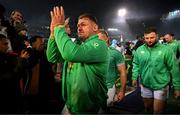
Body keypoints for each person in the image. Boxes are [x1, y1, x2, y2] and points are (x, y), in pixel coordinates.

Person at [46, 6, 109, 114]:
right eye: (78, 25)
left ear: (95, 28)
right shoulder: (77, 44)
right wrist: (52, 34)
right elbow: (52, 57)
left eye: (83, 25)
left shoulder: (100, 45)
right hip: (71, 104)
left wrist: (59, 28)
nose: (79, 28)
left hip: (89, 108)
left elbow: (71, 54)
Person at [132, 27, 180, 114]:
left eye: (152, 37)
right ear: (144, 38)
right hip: (145, 84)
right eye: (147, 38)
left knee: (158, 111)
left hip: (161, 85)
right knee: (148, 108)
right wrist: (134, 77)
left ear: (157, 36)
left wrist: (177, 87)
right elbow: (136, 64)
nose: (149, 40)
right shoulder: (140, 50)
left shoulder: (166, 50)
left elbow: (174, 68)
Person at [0, 33, 29, 113]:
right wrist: (21, 61)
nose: (8, 47)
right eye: (5, 44)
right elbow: (11, 77)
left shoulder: (7, 57)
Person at [98, 29, 127, 106]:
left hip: (109, 87)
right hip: (93, 87)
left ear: (106, 38)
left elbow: (122, 72)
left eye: (99, 39)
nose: (97, 41)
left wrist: (122, 90)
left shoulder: (115, 53)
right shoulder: (91, 52)